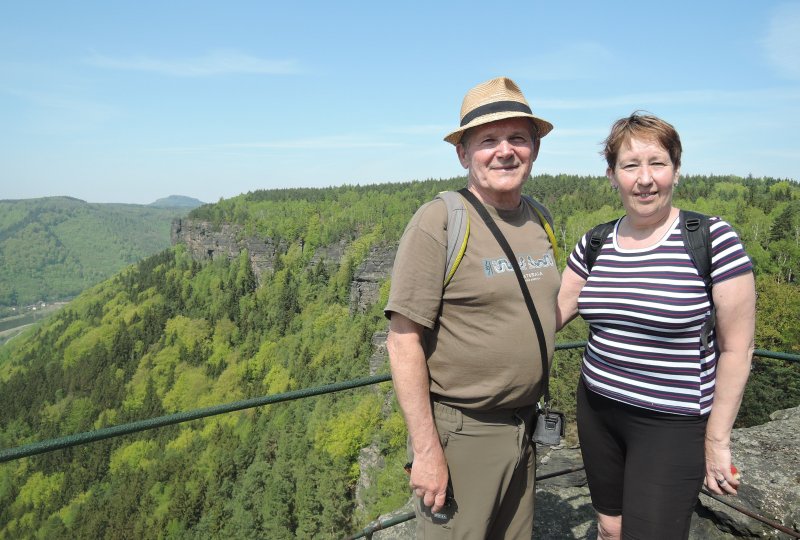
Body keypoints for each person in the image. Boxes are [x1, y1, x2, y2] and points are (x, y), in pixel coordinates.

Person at [557, 112, 756, 540]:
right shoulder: (595, 242)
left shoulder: (712, 239)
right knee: (610, 529)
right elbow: (548, 316)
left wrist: (717, 440)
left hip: (672, 423)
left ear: (676, 170)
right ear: (612, 175)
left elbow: (737, 350)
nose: (644, 179)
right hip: (597, 410)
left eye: (657, 163)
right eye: (630, 166)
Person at [385, 77, 560, 538]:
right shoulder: (439, 221)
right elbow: (402, 342)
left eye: (518, 138)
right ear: (463, 154)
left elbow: (542, 309)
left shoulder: (539, 219)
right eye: (488, 140)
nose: (505, 151)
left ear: (535, 149)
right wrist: (426, 452)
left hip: (524, 429)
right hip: (463, 435)